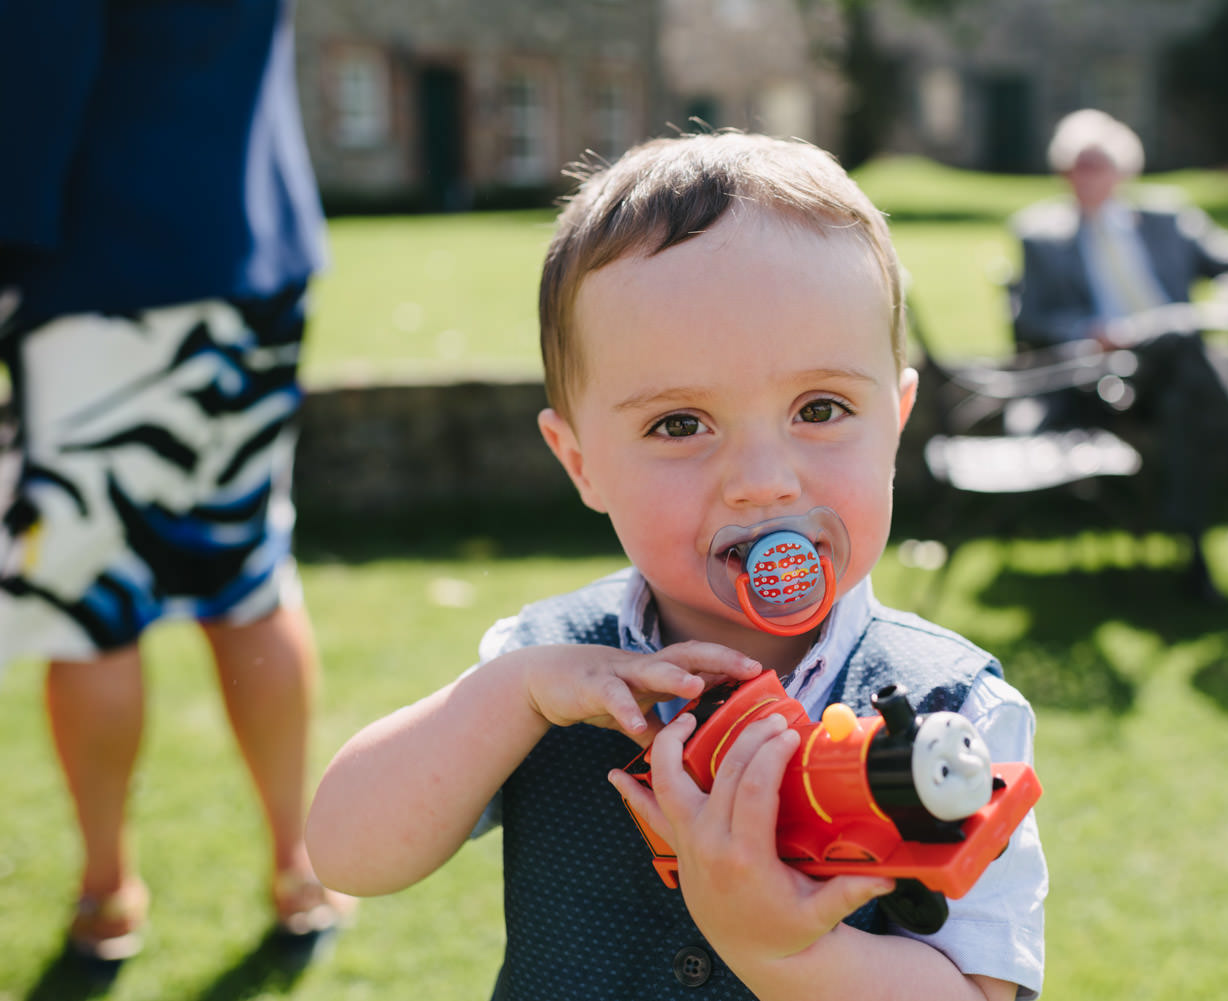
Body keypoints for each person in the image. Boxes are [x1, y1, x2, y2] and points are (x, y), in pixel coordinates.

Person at [306, 131, 1047, 1001]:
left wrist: (789, 957)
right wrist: (509, 692)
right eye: (680, 424)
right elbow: (348, 850)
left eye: (820, 407)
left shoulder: (954, 710)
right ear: (580, 461)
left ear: (896, 419)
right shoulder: (546, 668)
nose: (763, 483)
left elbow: (985, 990)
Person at [0, 0, 353, 962]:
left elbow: (33, 72)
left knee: (94, 603)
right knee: (248, 572)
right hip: (259, 248)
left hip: (98, 266)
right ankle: (300, 869)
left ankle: (108, 891)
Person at [1011, 108, 1228, 594]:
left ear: (1125, 171)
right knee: (1182, 332)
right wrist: (1090, 330)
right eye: (1077, 166)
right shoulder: (1041, 235)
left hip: (1174, 374)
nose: (1087, 177)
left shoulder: (1167, 219)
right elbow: (1030, 320)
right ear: (1062, 173)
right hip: (1102, 376)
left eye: (1098, 165)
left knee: (1183, 400)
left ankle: (1194, 558)